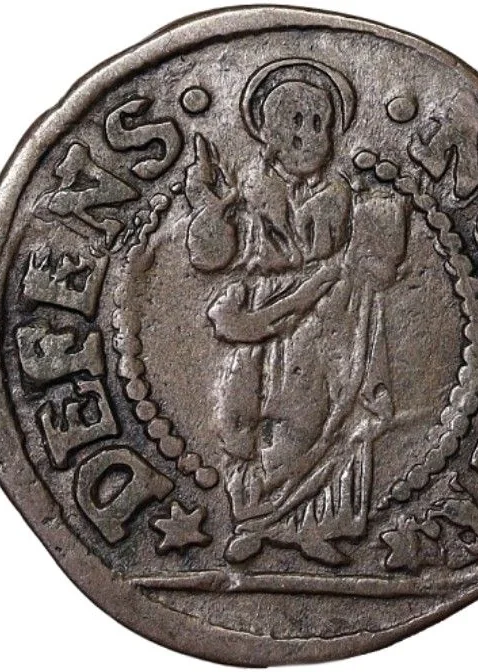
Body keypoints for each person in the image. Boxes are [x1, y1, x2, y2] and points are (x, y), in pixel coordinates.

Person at [184, 59, 408, 565]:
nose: (309, 136)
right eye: (295, 122)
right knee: (242, 423)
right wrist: (210, 206)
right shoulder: (246, 186)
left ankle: (313, 528)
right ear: (267, 132)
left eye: (319, 123)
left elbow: (318, 247)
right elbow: (209, 257)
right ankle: (252, 522)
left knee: (314, 422)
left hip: (325, 315)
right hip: (259, 312)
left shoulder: (335, 192)